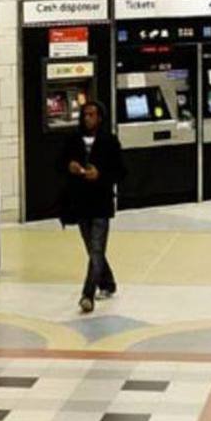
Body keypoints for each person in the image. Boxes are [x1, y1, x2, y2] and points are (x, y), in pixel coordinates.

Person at [58, 101, 125, 314]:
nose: (88, 119)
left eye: (92, 115)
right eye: (85, 115)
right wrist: (70, 166)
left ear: (100, 118)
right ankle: (108, 282)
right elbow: (59, 162)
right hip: (80, 202)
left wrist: (101, 175)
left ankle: (87, 295)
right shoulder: (73, 140)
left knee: (96, 249)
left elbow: (121, 171)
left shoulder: (109, 141)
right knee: (93, 249)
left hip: (101, 202)